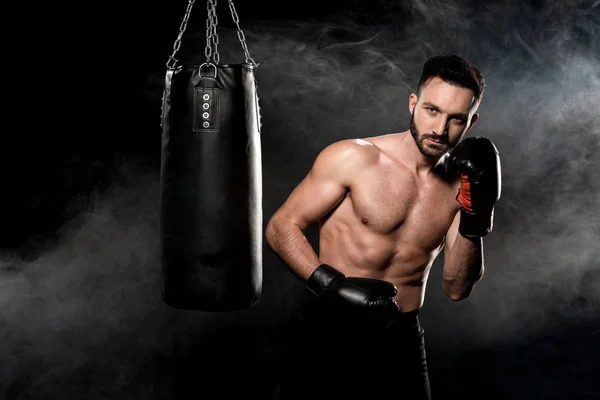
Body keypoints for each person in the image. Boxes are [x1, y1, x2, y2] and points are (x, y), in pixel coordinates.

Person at [265, 54, 502, 399]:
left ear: (471, 122)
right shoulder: (354, 157)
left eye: (456, 119)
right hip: (329, 327)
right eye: (431, 110)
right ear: (413, 103)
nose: (439, 129)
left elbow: (456, 287)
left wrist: (478, 213)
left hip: (400, 337)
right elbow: (281, 226)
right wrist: (332, 286)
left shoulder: (459, 186)